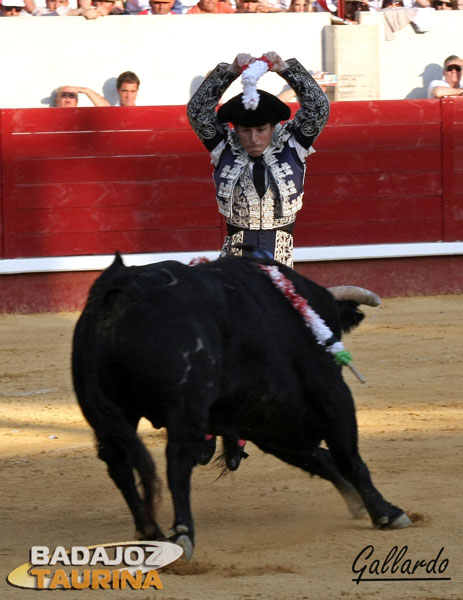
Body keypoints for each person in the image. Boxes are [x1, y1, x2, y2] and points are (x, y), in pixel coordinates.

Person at [187, 51, 329, 268]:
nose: (253, 139)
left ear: (273, 127)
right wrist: (231, 71)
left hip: (280, 259)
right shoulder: (224, 146)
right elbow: (197, 112)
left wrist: (285, 69)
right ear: (236, 128)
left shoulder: (292, 143)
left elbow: (319, 109)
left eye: (261, 130)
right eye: (246, 130)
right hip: (234, 260)